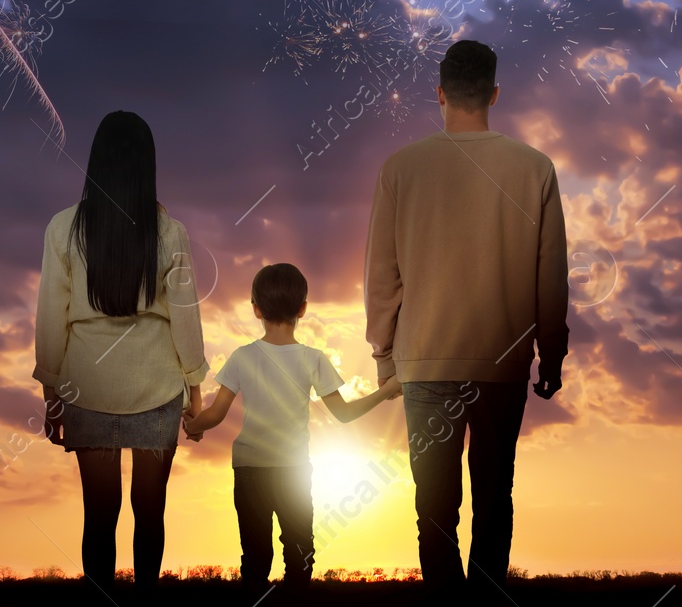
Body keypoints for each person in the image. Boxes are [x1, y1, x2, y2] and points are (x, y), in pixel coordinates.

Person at [364, 39, 569, 591]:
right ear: (495, 94)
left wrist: (384, 352)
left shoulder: (400, 168)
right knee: (493, 497)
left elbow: (382, 273)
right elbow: (551, 274)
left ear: (439, 93)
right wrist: (551, 351)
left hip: (425, 362)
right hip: (503, 363)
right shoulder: (536, 168)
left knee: (433, 507)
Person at [34, 111, 209, 601]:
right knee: (150, 509)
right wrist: (196, 391)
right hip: (156, 388)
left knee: (100, 511)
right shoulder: (169, 232)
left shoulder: (62, 228)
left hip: (86, 387)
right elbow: (185, 319)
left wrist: (51, 394)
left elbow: (51, 316)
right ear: (146, 166)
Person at [185, 263, 401, 593]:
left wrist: (193, 425)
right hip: (293, 471)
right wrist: (386, 390)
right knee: (300, 553)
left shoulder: (242, 357)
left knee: (255, 556)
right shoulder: (313, 359)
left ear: (256, 309)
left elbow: (213, 415)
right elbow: (343, 414)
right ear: (303, 308)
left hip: (248, 470)